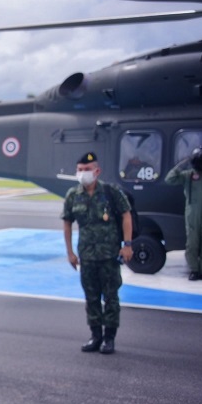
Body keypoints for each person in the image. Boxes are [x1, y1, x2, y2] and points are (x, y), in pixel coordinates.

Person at [62, 152, 132, 355]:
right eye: (80, 170)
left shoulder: (111, 192)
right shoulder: (73, 195)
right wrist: (70, 252)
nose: (83, 173)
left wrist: (127, 245)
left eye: (87, 169)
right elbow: (67, 223)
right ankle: (95, 336)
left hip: (109, 255)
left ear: (97, 171)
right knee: (91, 297)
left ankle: (109, 338)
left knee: (111, 297)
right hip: (87, 256)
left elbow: (126, 215)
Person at [165, 147, 202, 281]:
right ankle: (194, 270)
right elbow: (169, 179)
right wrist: (182, 164)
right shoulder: (188, 175)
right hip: (192, 214)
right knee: (192, 243)